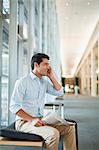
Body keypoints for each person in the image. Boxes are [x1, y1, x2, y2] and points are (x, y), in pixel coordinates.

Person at [10, 53, 77, 150]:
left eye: (48, 64)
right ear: (36, 65)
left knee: (69, 128)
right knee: (53, 134)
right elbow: (13, 106)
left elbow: (60, 92)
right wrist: (32, 119)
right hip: (24, 122)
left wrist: (51, 76)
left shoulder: (44, 82)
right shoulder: (22, 82)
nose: (48, 67)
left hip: (41, 120)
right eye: (45, 64)